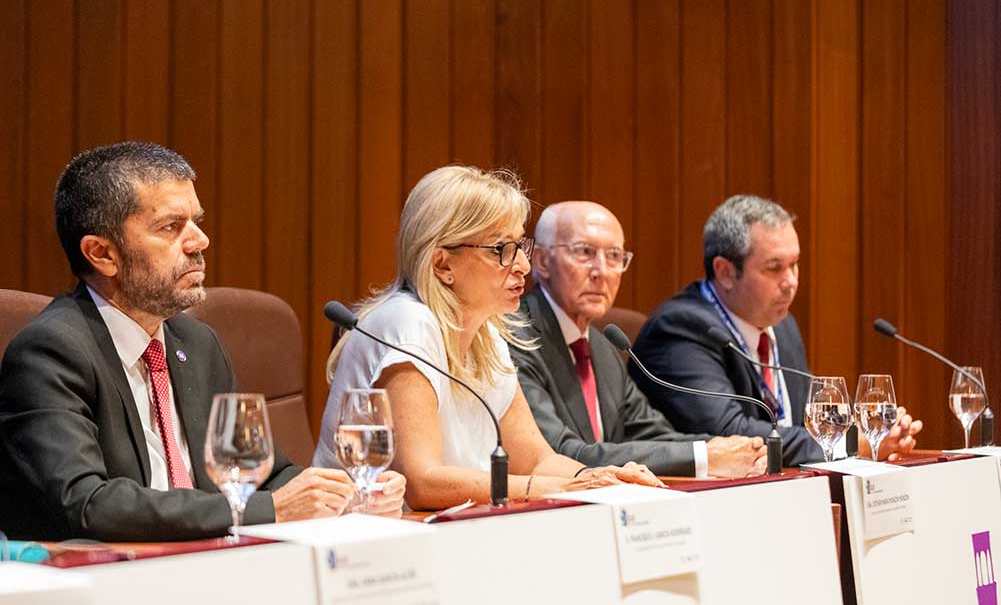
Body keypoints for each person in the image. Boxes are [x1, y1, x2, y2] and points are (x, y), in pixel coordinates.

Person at [0, 141, 405, 542]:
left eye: (195, 222)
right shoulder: (50, 353)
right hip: (106, 570)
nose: (199, 241)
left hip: (208, 560)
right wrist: (270, 510)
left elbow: (268, 475)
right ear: (102, 254)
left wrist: (345, 494)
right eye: (170, 227)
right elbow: (87, 504)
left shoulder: (196, 343)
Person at [313, 166, 662, 510]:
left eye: (520, 246)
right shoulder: (407, 322)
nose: (523, 265)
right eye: (501, 249)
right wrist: (565, 487)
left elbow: (537, 460)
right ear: (442, 265)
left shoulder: (487, 335)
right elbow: (423, 482)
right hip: (364, 534)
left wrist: (602, 478)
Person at [629, 195, 922, 465]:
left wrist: (874, 432)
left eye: (794, 265)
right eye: (774, 268)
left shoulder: (782, 325)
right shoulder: (680, 329)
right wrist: (850, 444)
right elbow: (732, 434)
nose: (791, 281)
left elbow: (805, 421)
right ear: (725, 272)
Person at [510, 202, 767, 478]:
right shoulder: (515, 339)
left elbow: (653, 434)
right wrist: (704, 457)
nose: (601, 271)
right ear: (541, 261)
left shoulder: (603, 347)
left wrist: (732, 449)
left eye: (614, 256)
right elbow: (558, 453)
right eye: (584, 252)